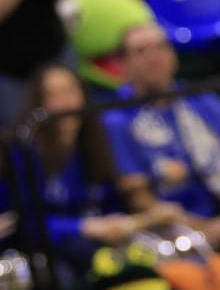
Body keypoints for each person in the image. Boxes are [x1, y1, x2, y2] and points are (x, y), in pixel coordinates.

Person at [105, 22, 220, 259]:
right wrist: (204, 229)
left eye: (161, 47)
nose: (154, 58)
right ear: (122, 65)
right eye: (141, 51)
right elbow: (139, 198)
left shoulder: (192, 96)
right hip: (172, 227)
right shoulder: (116, 118)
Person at [9, 63, 149, 278]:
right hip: (54, 249)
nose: (63, 103)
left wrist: (115, 221)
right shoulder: (24, 151)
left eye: (69, 92)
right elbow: (26, 223)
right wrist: (82, 227)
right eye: (51, 95)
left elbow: (109, 200)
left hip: (104, 237)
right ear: (37, 104)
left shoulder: (98, 139)